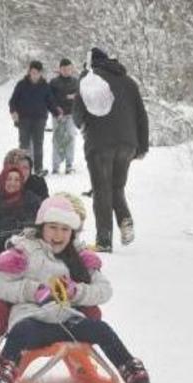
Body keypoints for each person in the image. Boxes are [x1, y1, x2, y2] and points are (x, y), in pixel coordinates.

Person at [0, 195, 157, 383]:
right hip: (33, 320)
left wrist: (76, 291)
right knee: (21, 331)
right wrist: (34, 290)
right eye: (53, 227)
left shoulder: (78, 256)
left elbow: (104, 290)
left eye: (65, 229)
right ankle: (3, 376)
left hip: (68, 319)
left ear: (72, 232)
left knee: (102, 330)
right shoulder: (25, 251)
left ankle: (136, 379)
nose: (58, 235)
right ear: (42, 226)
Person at [73, 48, 149, 251]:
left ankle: (104, 240)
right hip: (127, 144)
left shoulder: (89, 79)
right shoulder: (128, 81)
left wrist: (81, 124)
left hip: (99, 143)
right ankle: (125, 219)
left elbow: (77, 115)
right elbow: (141, 114)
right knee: (116, 187)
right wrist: (142, 146)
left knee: (101, 189)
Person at [9, 60, 61, 176]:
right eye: (32, 72)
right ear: (29, 72)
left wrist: (57, 113)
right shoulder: (21, 85)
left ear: (41, 73)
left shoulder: (45, 86)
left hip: (40, 119)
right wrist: (13, 112)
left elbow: (50, 103)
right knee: (24, 144)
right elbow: (13, 101)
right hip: (24, 119)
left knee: (38, 144)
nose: (34, 75)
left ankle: (38, 169)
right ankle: (22, 168)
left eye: (36, 72)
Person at [49, 58, 80, 174]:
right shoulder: (54, 82)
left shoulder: (76, 82)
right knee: (57, 139)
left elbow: (80, 97)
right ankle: (55, 166)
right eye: (64, 69)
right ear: (60, 69)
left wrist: (74, 97)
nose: (66, 71)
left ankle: (69, 165)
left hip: (71, 115)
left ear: (71, 69)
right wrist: (57, 109)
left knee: (71, 138)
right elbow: (49, 99)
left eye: (68, 69)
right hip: (57, 115)